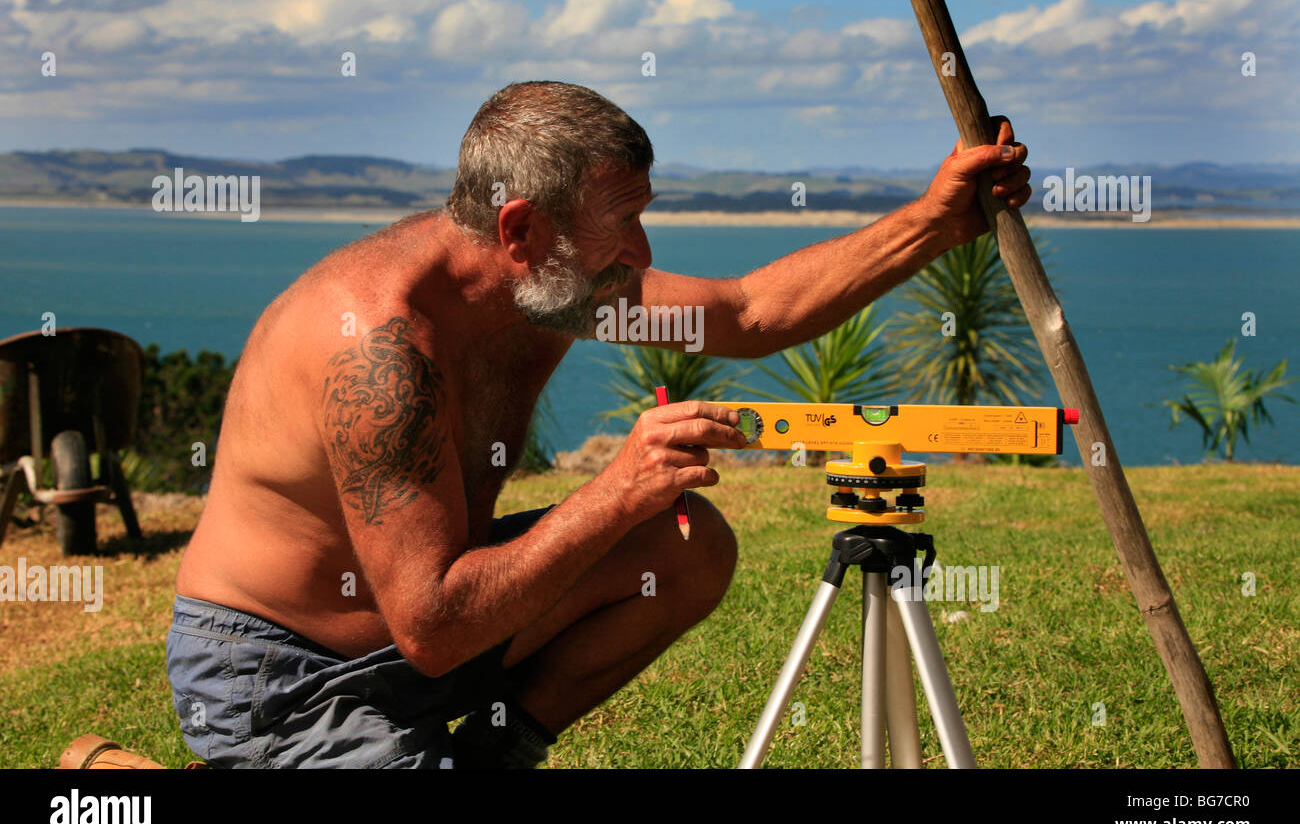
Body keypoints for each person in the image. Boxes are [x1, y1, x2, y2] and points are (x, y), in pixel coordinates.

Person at [166, 80, 1031, 768]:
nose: (644, 253)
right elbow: (432, 629)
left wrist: (939, 220)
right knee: (631, 522)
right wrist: (616, 490)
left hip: (426, 631)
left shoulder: (558, 291)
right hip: (280, 671)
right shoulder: (383, 348)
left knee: (685, 544)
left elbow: (752, 311)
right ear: (521, 227)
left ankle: (490, 756)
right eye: (623, 221)